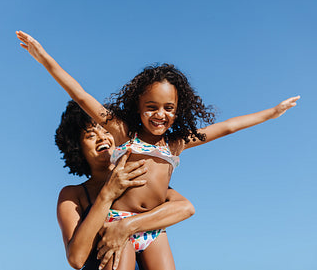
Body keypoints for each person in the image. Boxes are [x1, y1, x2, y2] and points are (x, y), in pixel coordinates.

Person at [17, 30, 300, 270]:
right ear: (137, 109)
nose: (159, 115)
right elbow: (80, 95)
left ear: (178, 112)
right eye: (151, 108)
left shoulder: (176, 143)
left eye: (168, 109)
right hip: (119, 223)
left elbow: (227, 127)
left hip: (151, 227)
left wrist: (271, 113)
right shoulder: (124, 133)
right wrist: (44, 58)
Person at [55, 101, 195, 270]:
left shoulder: (137, 177)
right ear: (77, 148)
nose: (102, 137)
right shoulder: (73, 194)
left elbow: (184, 207)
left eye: (106, 131)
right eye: (90, 135)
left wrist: (126, 226)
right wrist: (108, 193)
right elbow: (76, 259)